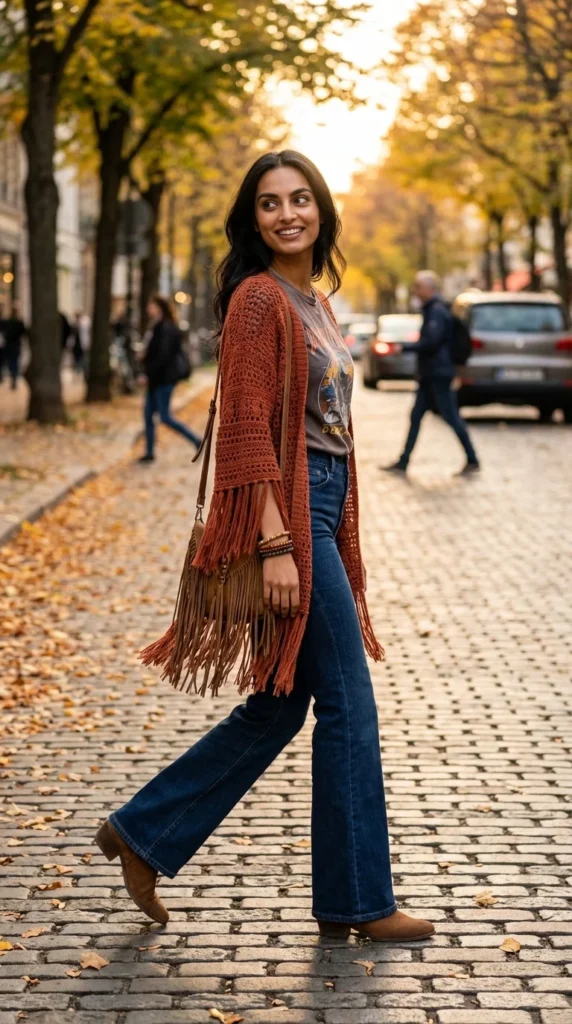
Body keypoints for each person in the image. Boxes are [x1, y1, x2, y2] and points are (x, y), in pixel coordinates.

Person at [95, 150, 435, 945]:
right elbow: (247, 424)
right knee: (348, 705)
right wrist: (277, 542)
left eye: (300, 199)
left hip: (317, 505)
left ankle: (143, 832)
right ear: (253, 220)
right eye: (270, 204)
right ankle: (359, 901)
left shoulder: (313, 300)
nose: (287, 214)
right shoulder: (257, 300)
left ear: (322, 209)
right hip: (291, 519)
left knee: (283, 706)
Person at [382, 270, 480, 476]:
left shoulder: (436, 311)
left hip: (438, 374)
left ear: (429, 288)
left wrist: (405, 348)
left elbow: (431, 342)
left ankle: (472, 459)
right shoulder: (432, 309)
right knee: (416, 416)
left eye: (418, 287)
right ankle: (403, 461)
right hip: (430, 375)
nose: (415, 291)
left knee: (452, 417)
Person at [138, 295, 201, 462]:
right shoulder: (159, 325)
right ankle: (149, 452)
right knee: (148, 415)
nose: (148, 309)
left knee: (165, 417)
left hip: (163, 379)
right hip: (156, 379)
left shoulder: (165, 327)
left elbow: (163, 356)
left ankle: (196, 440)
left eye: (150, 305)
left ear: (159, 307)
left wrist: (147, 373)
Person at [2, 303, 27, 390]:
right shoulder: (17, 322)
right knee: (13, 363)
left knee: (12, 363)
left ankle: (13, 379)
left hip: (11, 345)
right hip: (13, 346)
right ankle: (13, 379)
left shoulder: (9, 322)